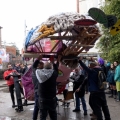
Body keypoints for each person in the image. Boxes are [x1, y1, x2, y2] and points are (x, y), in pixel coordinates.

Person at [32, 55, 44, 120]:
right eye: (42, 65)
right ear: (39, 65)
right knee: (39, 107)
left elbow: (33, 67)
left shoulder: (35, 72)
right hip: (39, 92)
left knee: (38, 107)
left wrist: (38, 60)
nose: (43, 66)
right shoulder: (37, 72)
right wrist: (38, 60)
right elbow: (33, 66)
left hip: (38, 91)